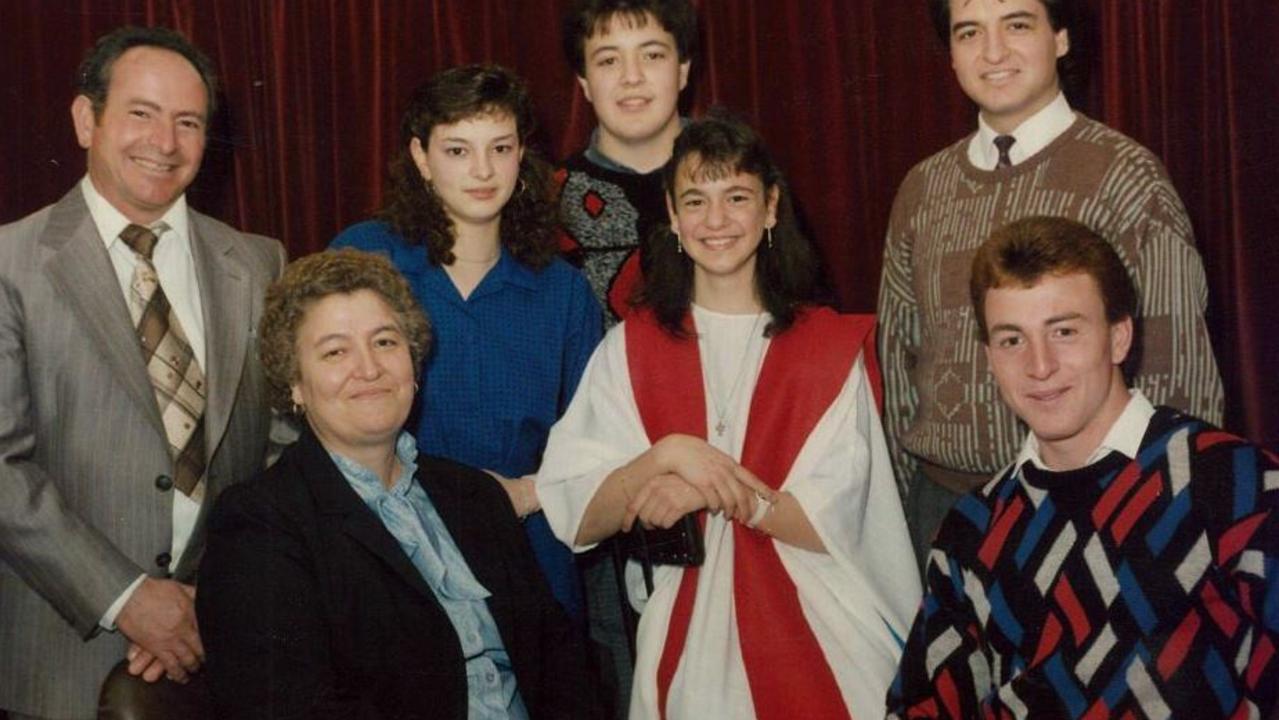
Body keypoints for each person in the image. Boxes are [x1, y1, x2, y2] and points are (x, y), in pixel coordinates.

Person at [538, 114, 920, 719]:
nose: (716, 222)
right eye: (696, 200)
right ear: (671, 214)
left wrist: (709, 491)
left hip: (825, 626)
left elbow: (837, 520)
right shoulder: (629, 350)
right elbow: (577, 511)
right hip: (687, 645)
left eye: (736, 197)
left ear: (770, 208)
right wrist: (664, 457)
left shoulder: (827, 347)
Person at [878, 0, 1225, 572]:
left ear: (1061, 38)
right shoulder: (923, 188)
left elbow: (1182, 378)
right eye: (970, 33)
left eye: (1017, 25)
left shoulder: (1125, 177)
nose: (993, 52)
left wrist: (1161, 529)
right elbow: (898, 364)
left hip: (1093, 509)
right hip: (942, 512)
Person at [0, 26, 285, 720]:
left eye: (187, 122)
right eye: (141, 113)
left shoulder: (259, 264)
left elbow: (285, 456)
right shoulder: (10, 264)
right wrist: (128, 597)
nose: (164, 142)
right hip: (61, 660)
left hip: (226, 645)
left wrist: (212, 601)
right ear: (84, 119)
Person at [887, 216, 1279, 719]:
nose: (1040, 365)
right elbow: (921, 708)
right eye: (1012, 340)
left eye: (1064, 331)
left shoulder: (1234, 486)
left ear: (1119, 338)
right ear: (988, 358)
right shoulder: (972, 530)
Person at [196, 249, 593, 719]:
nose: (369, 369)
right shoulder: (258, 525)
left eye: (385, 342)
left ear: (414, 359)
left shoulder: (475, 495)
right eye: (335, 352)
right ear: (295, 384)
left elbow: (563, 667)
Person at [331, 64, 602, 620]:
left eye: (499, 148)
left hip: (527, 557)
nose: (482, 170)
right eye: (457, 150)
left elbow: (595, 445)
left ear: (521, 155)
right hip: (389, 559)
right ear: (421, 157)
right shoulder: (364, 259)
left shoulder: (563, 292)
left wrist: (525, 496)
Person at [556, 0, 696, 325]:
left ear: (683, 70)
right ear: (585, 84)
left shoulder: (745, 179)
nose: (631, 77)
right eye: (608, 60)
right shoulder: (549, 202)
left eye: (652, 55)